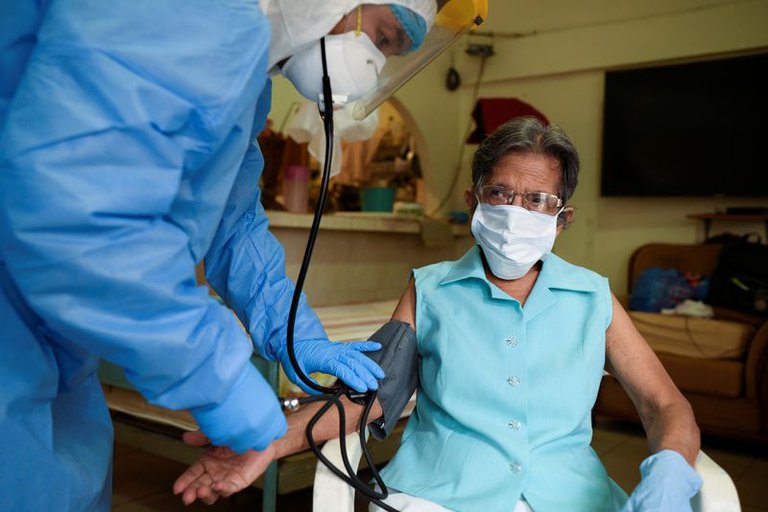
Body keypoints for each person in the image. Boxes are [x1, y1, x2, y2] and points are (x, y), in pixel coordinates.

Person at [0, 1, 442, 510]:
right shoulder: (196, 13)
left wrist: (295, 336)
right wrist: (222, 383)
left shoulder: (245, 75)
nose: (374, 65)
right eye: (382, 38)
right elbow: (81, 218)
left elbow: (232, 219)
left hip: (55, 339)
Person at [174, 117, 703, 511]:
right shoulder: (430, 289)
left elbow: (663, 405)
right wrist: (267, 443)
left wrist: (671, 472)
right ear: (475, 203)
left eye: (538, 200)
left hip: (570, 497)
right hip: (441, 496)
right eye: (502, 193)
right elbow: (369, 399)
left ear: (561, 220)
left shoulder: (593, 298)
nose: (517, 211)